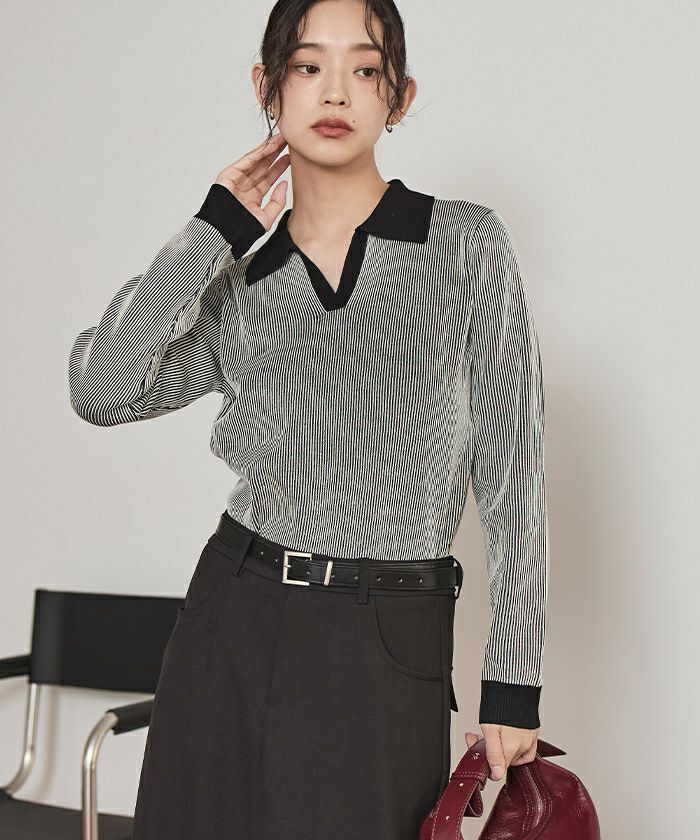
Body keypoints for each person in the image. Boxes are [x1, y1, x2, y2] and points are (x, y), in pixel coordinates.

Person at [68, 1, 549, 837]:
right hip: (236, 616)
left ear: (398, 95)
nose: (335, 92)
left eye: (364, 68)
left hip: (389, 631)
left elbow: (514, 475)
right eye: (306, 65)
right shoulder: (240, 286)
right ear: (269, 86)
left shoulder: (465, 245)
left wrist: (512, 683)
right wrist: (210, 232)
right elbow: (100, 389)